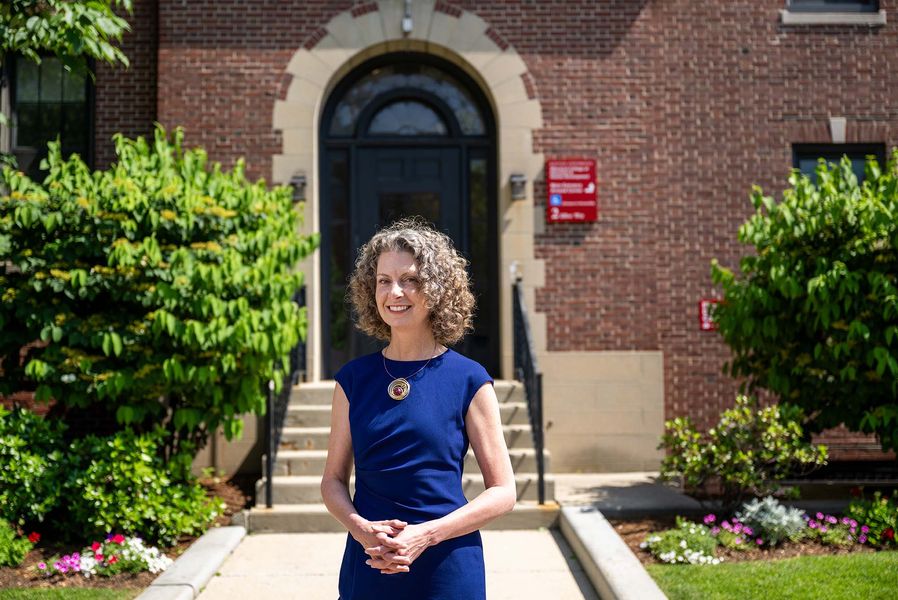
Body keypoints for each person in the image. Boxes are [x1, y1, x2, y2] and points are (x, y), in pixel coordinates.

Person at [320, 218, 516, 600]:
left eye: (410, 279)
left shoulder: (469, 379)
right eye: (383, 280)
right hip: (370, 561)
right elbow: (333, 481)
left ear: (437, 288)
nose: (395, 291)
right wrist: (360, 529)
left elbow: (504, 491)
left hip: (446, 565)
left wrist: (426, 534)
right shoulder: (353, 380)